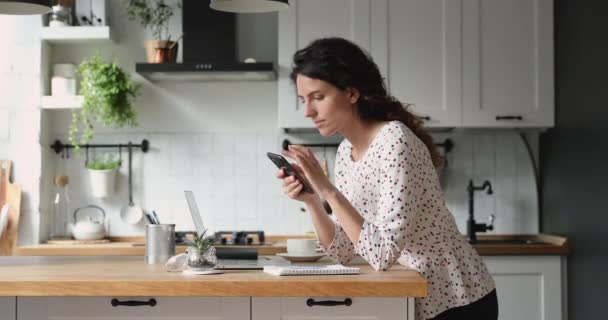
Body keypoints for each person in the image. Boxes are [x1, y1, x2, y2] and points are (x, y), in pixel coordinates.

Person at [275, 37, 498, 320]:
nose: (308, 112)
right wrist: (312, 200)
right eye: (303, 100)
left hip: (458, 299)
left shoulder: (395, 142)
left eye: (318, 97)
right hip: (412, 297)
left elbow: (381, 254)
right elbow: (344, 251)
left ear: (352, 93)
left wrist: (328, 190)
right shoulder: (346, 152)